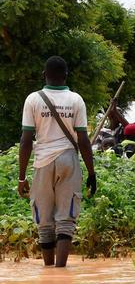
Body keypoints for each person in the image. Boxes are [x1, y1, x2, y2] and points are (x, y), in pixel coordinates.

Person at [17, 56, 97, 267]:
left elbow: (26, 141)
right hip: (69, 160)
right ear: (66, 76)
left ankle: (48, 271)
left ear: (44, 75)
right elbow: (83, 139)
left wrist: (21, 177)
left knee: (44, 219)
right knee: (66, 218)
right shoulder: (76, 100)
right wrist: (91, 172)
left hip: (42, 161)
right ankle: (61, 271)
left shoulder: (32, 99)